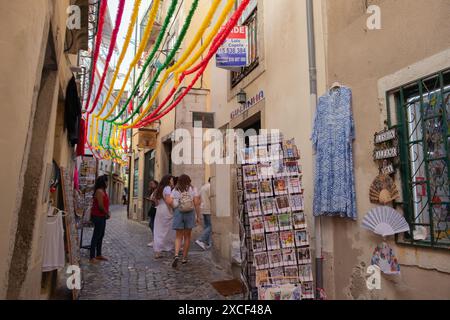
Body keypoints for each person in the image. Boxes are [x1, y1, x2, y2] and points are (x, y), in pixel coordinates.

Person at [169, 174, 201, 268]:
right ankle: (184, 258)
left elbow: (170, 202)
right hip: (189, 212)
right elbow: (196, 203)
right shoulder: (193, 189)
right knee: (187, 236)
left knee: (178, 236)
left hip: (178, 212)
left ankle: (176, 255)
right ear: (189, 180)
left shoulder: (175, 190)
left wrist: (174, 209)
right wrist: (198, 216)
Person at [153, 175, 176, 259]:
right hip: (166, 209)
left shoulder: (159, 188)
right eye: (172, 180)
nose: (172, 182)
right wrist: (174, 207)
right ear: (168, 181)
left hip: (159, 209)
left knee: (159, 230)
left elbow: (154, 199)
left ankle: (158, 251)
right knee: (168, 230)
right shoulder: (167, 188)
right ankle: (169, 247)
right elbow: (168, 201)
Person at [90, 175, 110, 264]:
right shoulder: (99, 192)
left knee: (101, 235)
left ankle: (98, 254)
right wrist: (107, 213)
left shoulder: (103, 191)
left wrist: (106, 213)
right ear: (103, 182)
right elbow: (100, 206)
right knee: (96, 236)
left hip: (102, 216)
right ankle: (92, 256)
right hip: (98, 216)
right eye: (106, 181)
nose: (107, 183)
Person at [196, 178, 212, 250]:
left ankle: (208, 243)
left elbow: (198, 197)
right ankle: (200, 239)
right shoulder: (210, 187)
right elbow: (212, 198)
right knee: (210, 226)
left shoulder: (203, 187)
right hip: (209, 208)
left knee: (207, 226)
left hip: (203, 208)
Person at [146, 180, 159, 247]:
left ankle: (155, 240)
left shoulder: (157, 191)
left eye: (152, 183)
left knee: (152, 225)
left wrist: (151, 200)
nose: (150, 185)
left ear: (156, 184)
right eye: (150, 184)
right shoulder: (153, 191)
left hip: (155, 209)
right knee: (151, 224)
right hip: (153, 208)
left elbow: (157, 201)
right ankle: (155, 240)